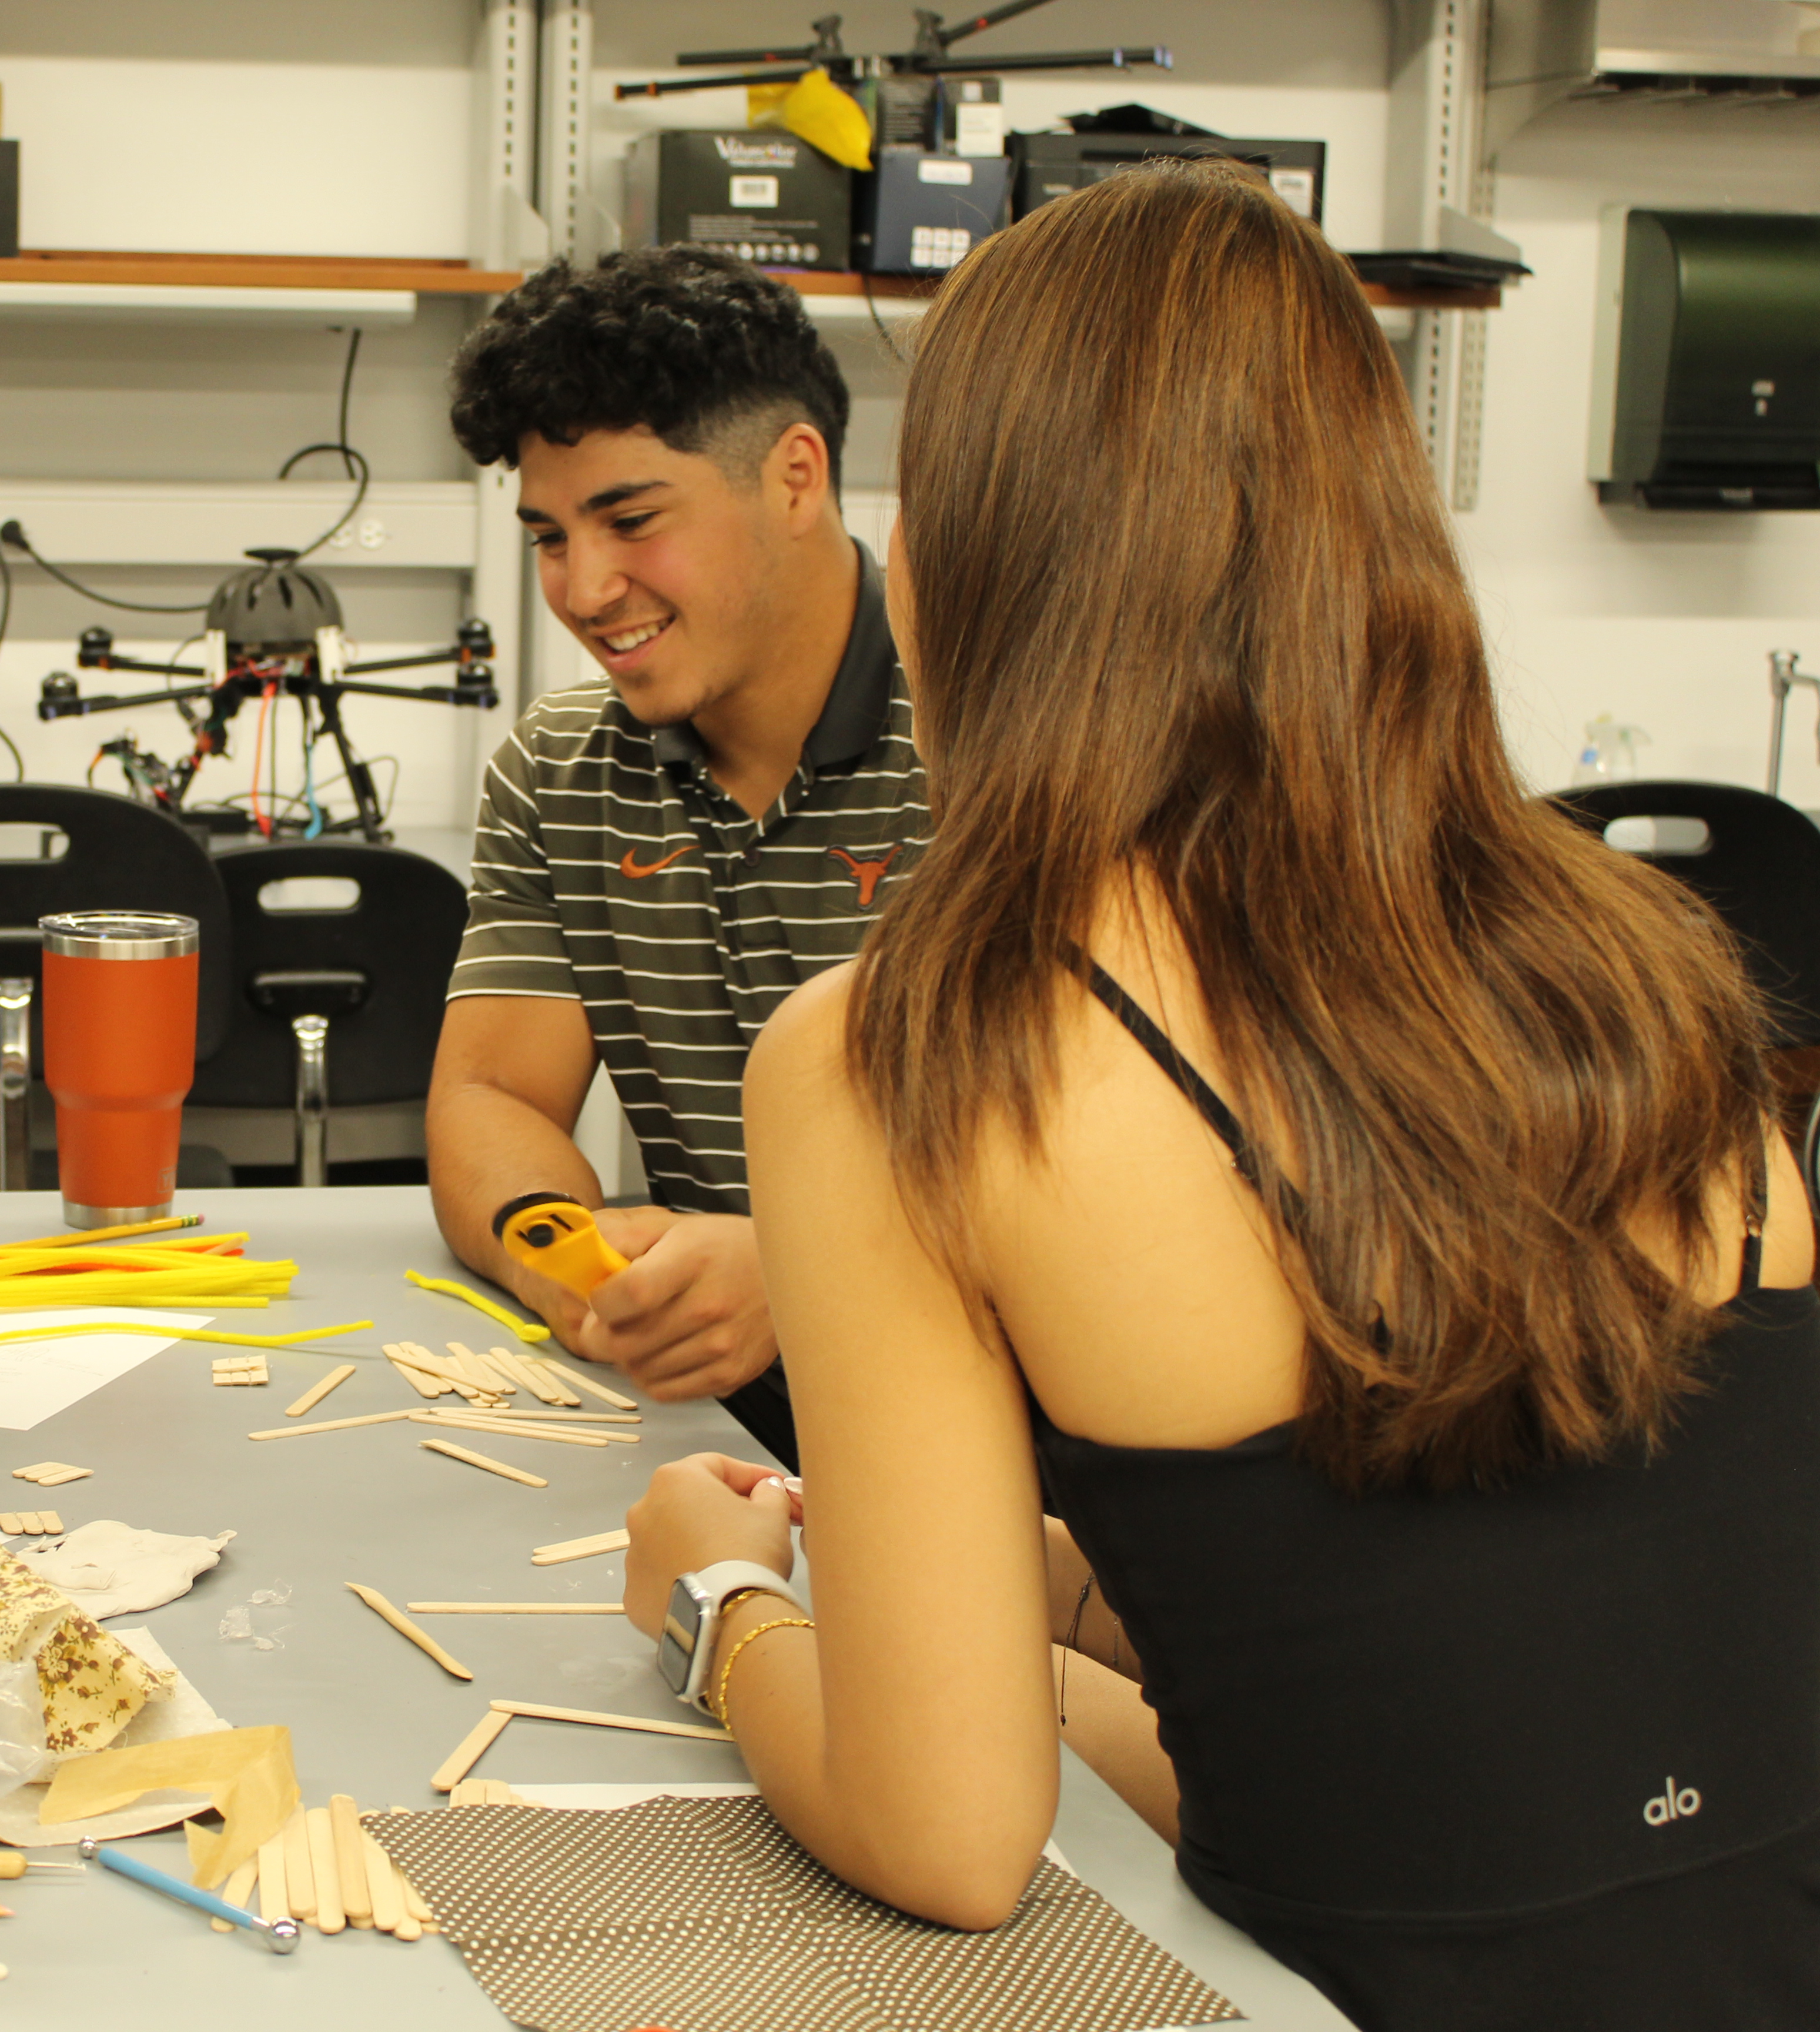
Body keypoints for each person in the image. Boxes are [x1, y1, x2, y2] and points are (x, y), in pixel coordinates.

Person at [621, 159, 1820, 2030]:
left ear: (951, 569)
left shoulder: (904, 1056)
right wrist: (1038, 1586)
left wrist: (718, 1601)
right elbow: (1473, 1668)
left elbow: (949, 1840)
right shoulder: (1651, 962)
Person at [427, 246, 928, 1464]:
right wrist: (570, 1258)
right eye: (549, 535)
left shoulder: (1003, 741)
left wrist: (813, 1277)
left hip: (1012, 1462)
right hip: (716, 1446)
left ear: (794, 477)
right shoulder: (562, 768)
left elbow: (1129, 1187)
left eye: (632, 520)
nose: (586, 589)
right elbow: (492, 1097)